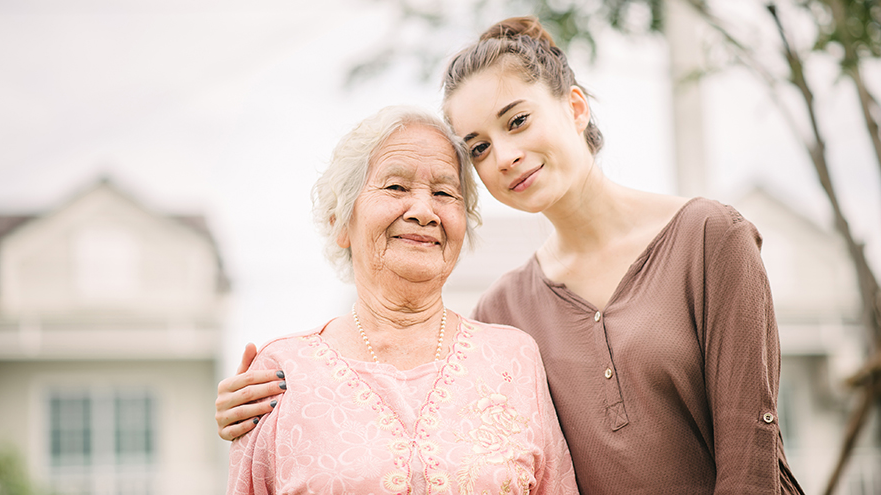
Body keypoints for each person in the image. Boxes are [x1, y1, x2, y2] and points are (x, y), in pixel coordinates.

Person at [217, 17, 804, 494]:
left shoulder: (708, 238)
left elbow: (750, 453)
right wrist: (255, 408)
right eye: (479, 147)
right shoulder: (506, 311)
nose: (505, 155)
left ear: (575, 108)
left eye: (518, 121)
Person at [223, 105, 578, 494]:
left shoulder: (515, 358)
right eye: (396, 187)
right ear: (340, 222)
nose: (425, 211)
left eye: (444, 192)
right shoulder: (283, 372)